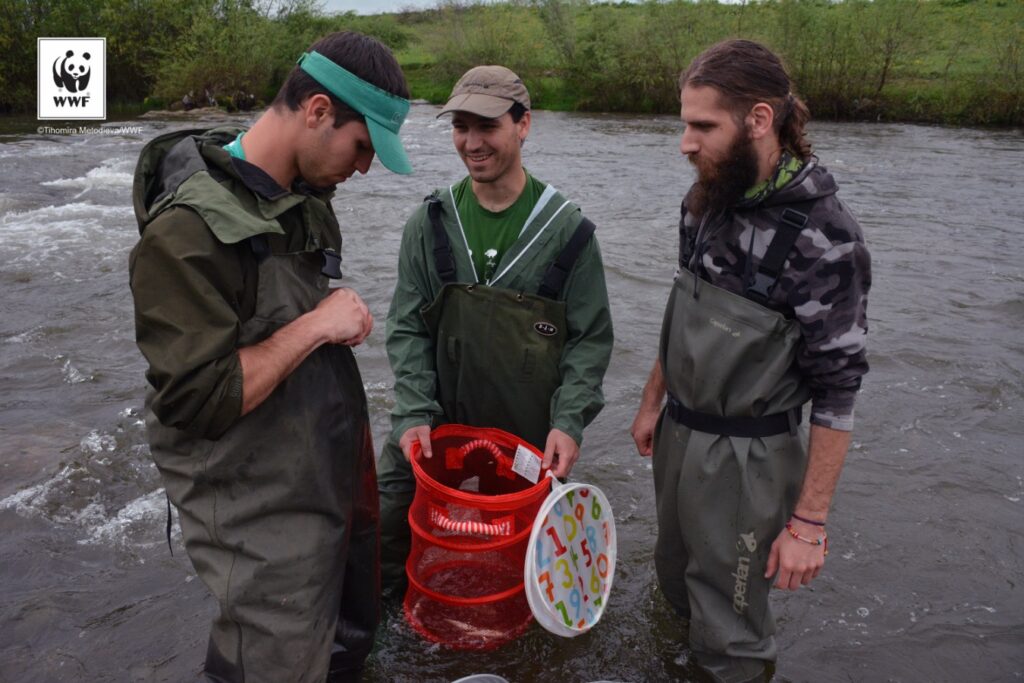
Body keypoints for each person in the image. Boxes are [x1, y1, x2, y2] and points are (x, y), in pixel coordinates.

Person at [128, 31, 412, 682]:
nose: (364, 169)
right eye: (362, 147)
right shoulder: (184, 234)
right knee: (269, 661)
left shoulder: (306, 200)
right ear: (316, 111)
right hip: (257, 510)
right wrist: (317, 326)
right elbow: (201, 397)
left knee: (347, 640)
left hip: (321, 472)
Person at [630, 39, 871, 683]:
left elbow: (839, 391)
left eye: (702, 126)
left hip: (750, 456)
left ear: (759, 120)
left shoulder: (828, 239)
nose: (685, 142)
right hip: (681, 432)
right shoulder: (703, 201)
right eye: (685, 123)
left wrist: (810, 524)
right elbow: (683, 306)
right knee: (676, 586)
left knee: (732, 631)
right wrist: (654, 400)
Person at [377, 65, 614, 596]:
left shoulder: (570, 233)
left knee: (535, 559)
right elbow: (406, 327)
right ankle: (384, 630)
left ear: (523, 125)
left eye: (487, 126)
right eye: (461, 126)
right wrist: (414, 409)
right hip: (435, 416)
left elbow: (589, 341)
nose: (471, 142)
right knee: (382, 517)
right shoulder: (429, 223)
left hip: (525, 431)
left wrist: (569, 423)